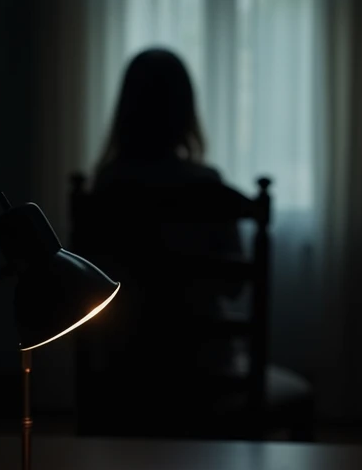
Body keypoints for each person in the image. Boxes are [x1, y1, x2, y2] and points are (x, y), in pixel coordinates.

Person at [85, 47, 249, 434]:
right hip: (203, 368)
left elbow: (89, 287)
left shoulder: (108, 187)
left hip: (128, 367)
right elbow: (234, 285)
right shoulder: (209, 188)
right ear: (185, 112)